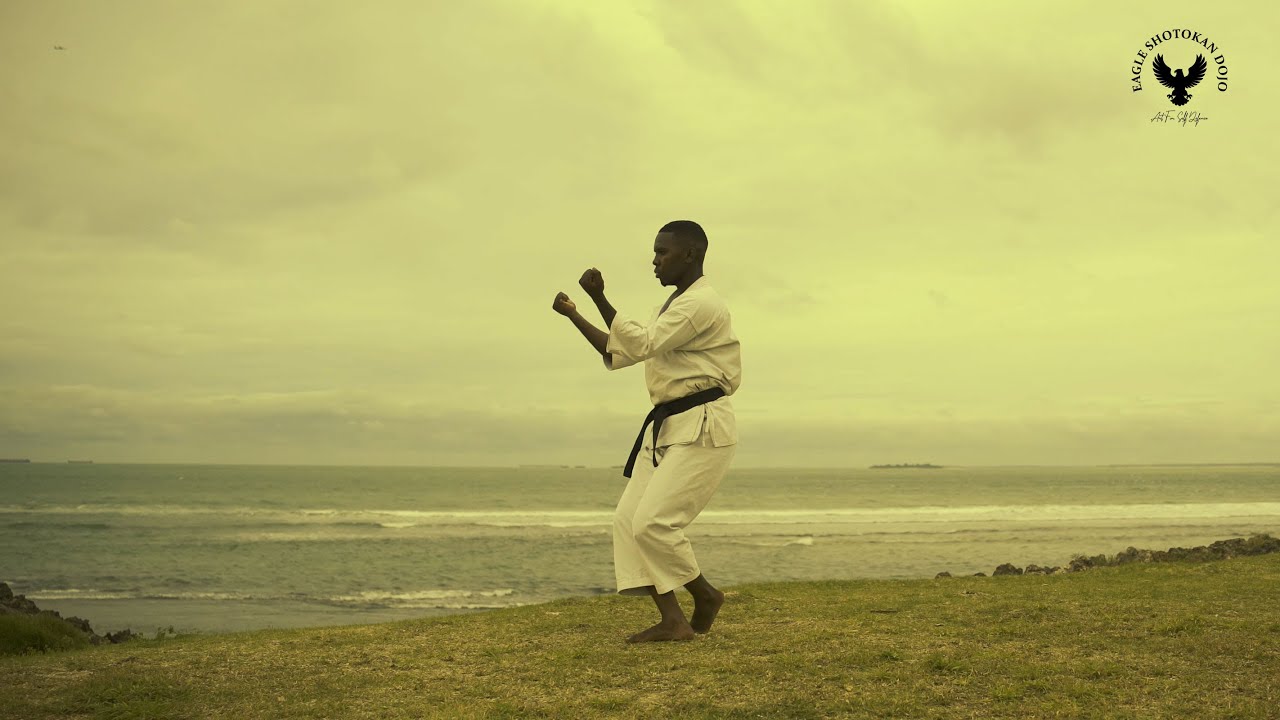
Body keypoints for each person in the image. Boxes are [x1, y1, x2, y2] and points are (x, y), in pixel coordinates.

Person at [551, 220, 741, 642]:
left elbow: (639, 343)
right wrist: (575, 315)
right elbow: (621, 352)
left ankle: (705, 595)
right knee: (627, 520)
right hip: (667, 426)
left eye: (662, 252)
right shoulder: (669, 309)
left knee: (654, 523)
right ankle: (673, 620)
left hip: (703, 424)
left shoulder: (702, 304)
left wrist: (600, 296)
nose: (654, 261)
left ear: (690, 254)